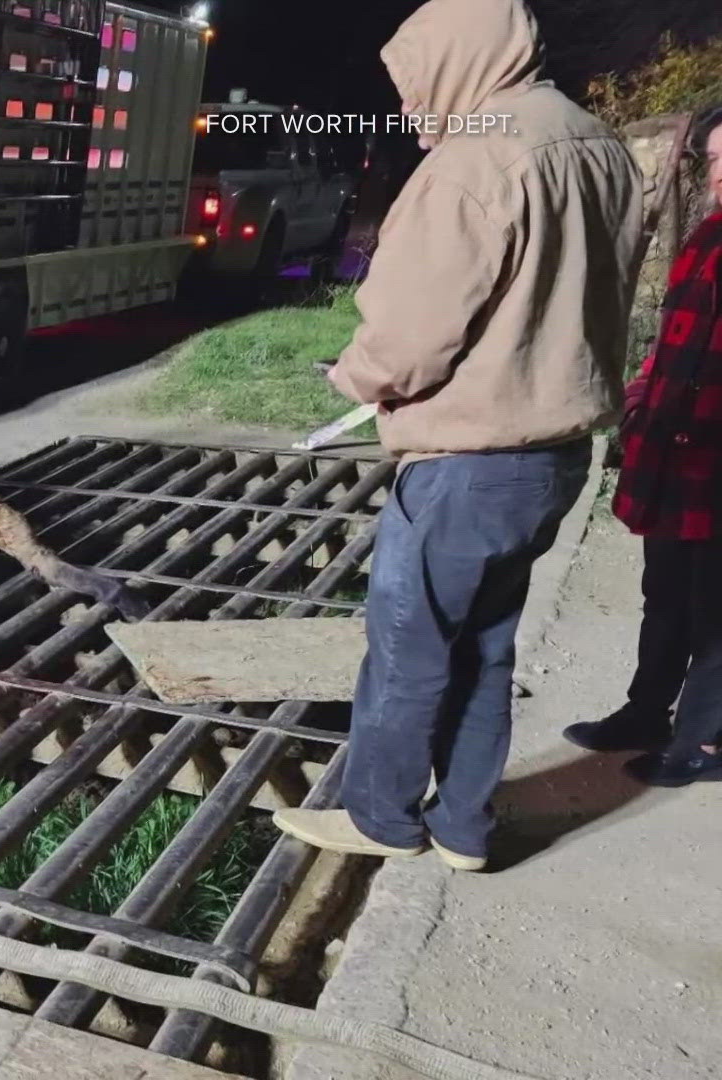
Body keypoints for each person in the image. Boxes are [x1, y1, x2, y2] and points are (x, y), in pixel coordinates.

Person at [271, 0, 646, 871]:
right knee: (486, 643)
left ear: (456, 63)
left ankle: (382, 818)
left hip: (469, 460)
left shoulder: (475, 162)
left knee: (410, 649)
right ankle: (464, 830)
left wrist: (354, 375)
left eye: (413, 84)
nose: (408, 107)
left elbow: (410, 336)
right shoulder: (598, 143)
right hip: (554, 455)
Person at [565, 105, 722, 787]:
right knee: (666, 594)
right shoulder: (710, 235)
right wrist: (638, 405)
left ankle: (706, 742)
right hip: (677, 450)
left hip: (717, 456)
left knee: (716, 610)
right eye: (718, 159)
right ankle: (646, 711)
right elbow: (672, 344)